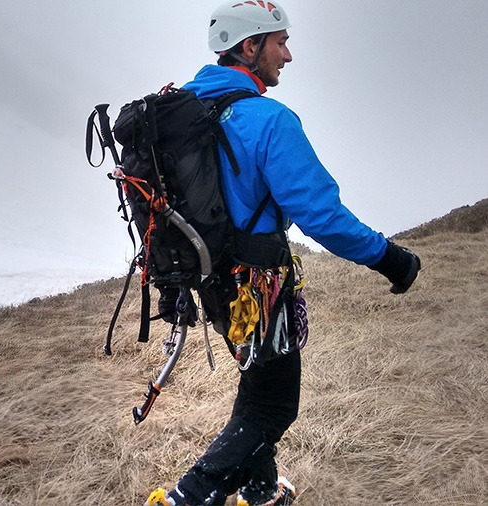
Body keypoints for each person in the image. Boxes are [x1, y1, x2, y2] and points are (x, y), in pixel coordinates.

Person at [145, 2, 420, 505]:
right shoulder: (267, 119)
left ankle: (262, 490)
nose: (288, 55)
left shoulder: (182, 110)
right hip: (259, 286)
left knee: (256, 385)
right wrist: (392, 259)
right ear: (250, 47)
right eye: (280, 42)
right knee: (272, 406)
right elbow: (322, 217)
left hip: (209, 279)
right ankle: (189, 496)